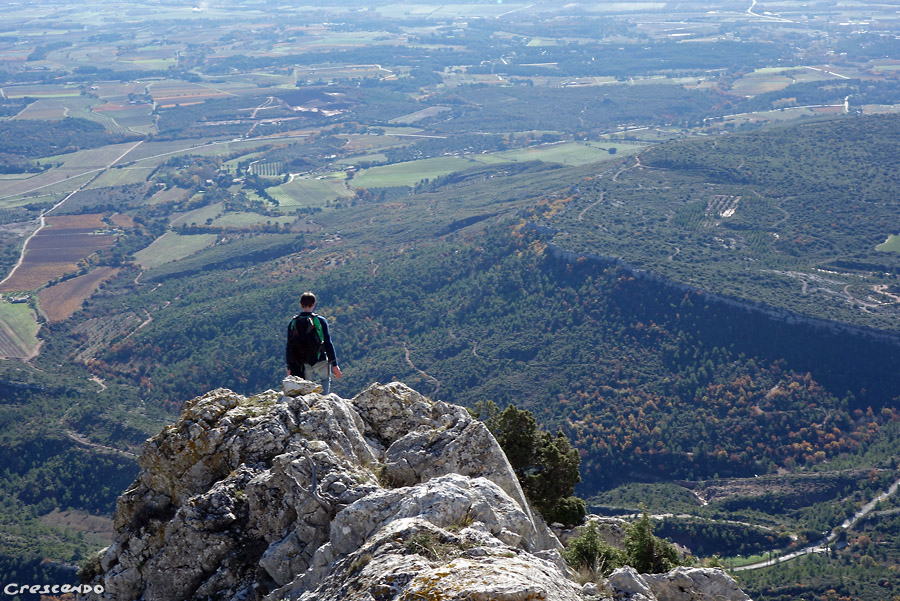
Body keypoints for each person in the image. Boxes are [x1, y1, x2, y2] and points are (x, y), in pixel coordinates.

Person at [285, 291, 342, 394]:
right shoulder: (320, 321)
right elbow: (328, 343)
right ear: (314, 304)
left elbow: (289, 347)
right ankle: (325, 401)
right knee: (325, 380)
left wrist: (289, 367)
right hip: (320, 359)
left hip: (303, 362)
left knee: (307, 389)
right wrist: (335, 365)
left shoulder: (293, 322)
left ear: (301, 304)